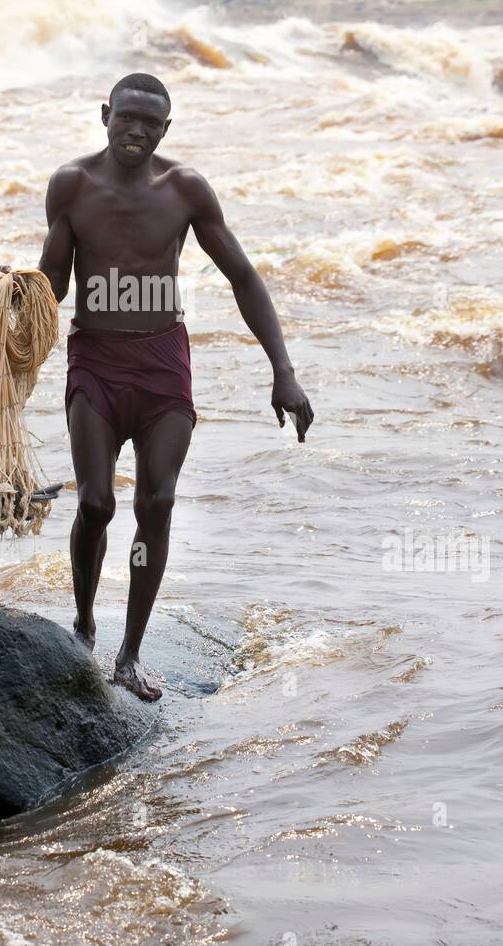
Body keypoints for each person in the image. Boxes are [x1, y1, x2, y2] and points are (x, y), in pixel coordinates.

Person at [37, 72, 313, 700]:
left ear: (166, 128)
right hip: (96, 362)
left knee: (156, 503)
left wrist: (283, 372)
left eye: (150, 123)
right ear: (104, 114)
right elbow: (53, 279)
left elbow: (242, 275)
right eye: (125, 117)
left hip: (164, 365)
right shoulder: (71, 185)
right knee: (95, 503)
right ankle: (83, 625)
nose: (135, 130)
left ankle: (129, 656)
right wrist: (15, 300)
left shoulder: (184, 188)